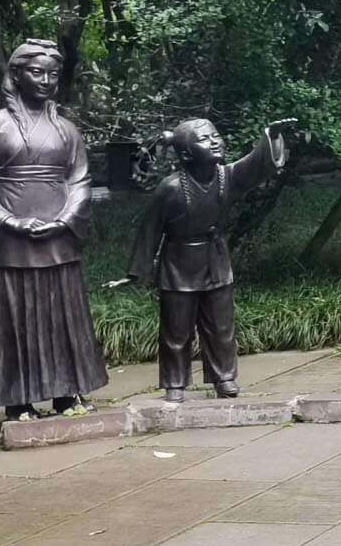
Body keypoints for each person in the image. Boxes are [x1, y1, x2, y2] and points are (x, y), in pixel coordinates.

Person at [0, 39, 108, 420]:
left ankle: (66, 394)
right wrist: (9, 220)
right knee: (15, 320)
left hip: (58, 238)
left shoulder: (67, 131)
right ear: (17, 75)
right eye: (37, 72)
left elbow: (80, 181)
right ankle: (18, 400)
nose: (45, 80)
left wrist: (65, 218)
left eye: (53, 74)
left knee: (63, 317)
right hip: (10, 240)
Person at [107, 117, 297, 401]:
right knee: (176, 331)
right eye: (205, 139)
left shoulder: (227, 176)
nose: (216, 142)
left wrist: (270, 135)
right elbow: (149, 231)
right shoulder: (170, 188)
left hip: (214, 260)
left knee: (221, 327)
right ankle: (174, 382)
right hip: (178, 264)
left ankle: (224, 377)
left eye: (216, 136)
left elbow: (257, 165)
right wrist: (136, 271)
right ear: (186, 153)